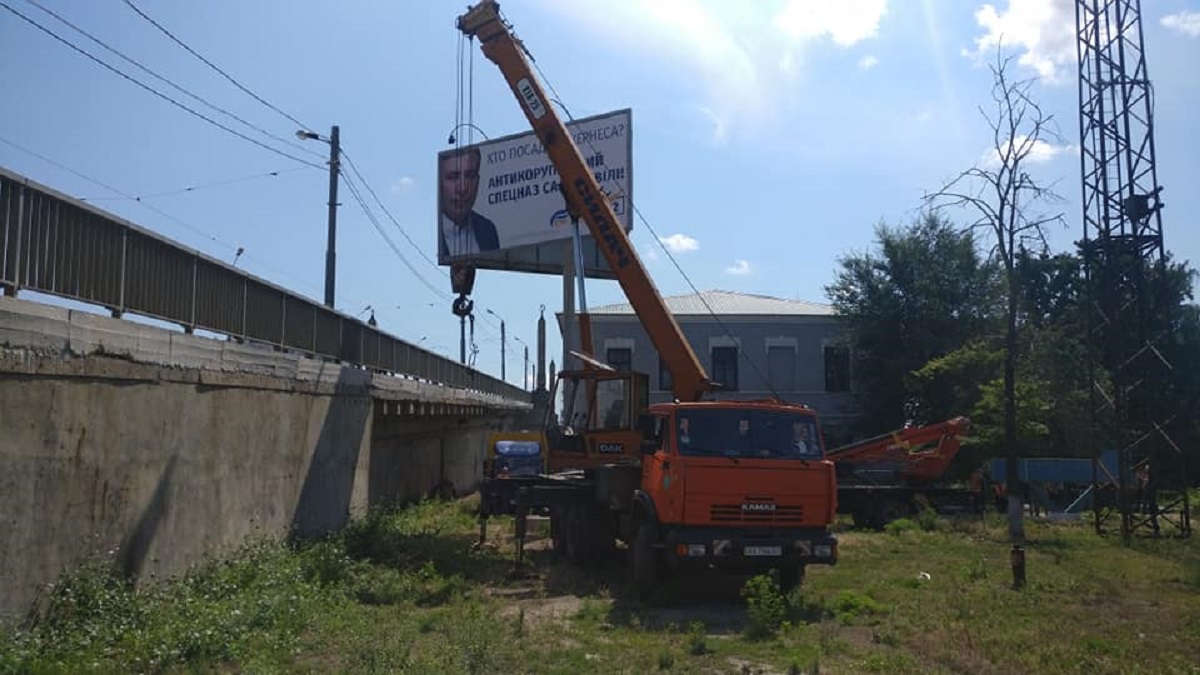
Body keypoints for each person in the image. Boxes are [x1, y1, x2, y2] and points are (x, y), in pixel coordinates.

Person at [438, 146, 500, 259]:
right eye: (453, 177)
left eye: (470, 176)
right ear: (440, 183)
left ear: (478, 180)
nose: (462, 188)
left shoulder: (488, 229)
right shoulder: (429, 232)